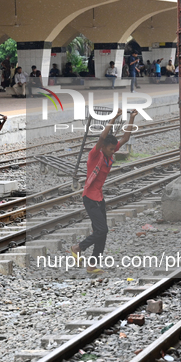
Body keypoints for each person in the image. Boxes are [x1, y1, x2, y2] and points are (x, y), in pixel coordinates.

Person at [70, 108, 139, 274]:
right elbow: (101, 138)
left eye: (113, 149)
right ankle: (77, 247)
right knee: (102, 230)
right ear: (104, 148)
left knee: (102, 233)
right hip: (89, 198)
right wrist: (113, 119)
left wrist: (131, 118)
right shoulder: (95, 155)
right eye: (110, 149)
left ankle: (92, 265)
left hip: (99, 199)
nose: (112, 151)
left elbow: (126, 137)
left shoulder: (110, 154)